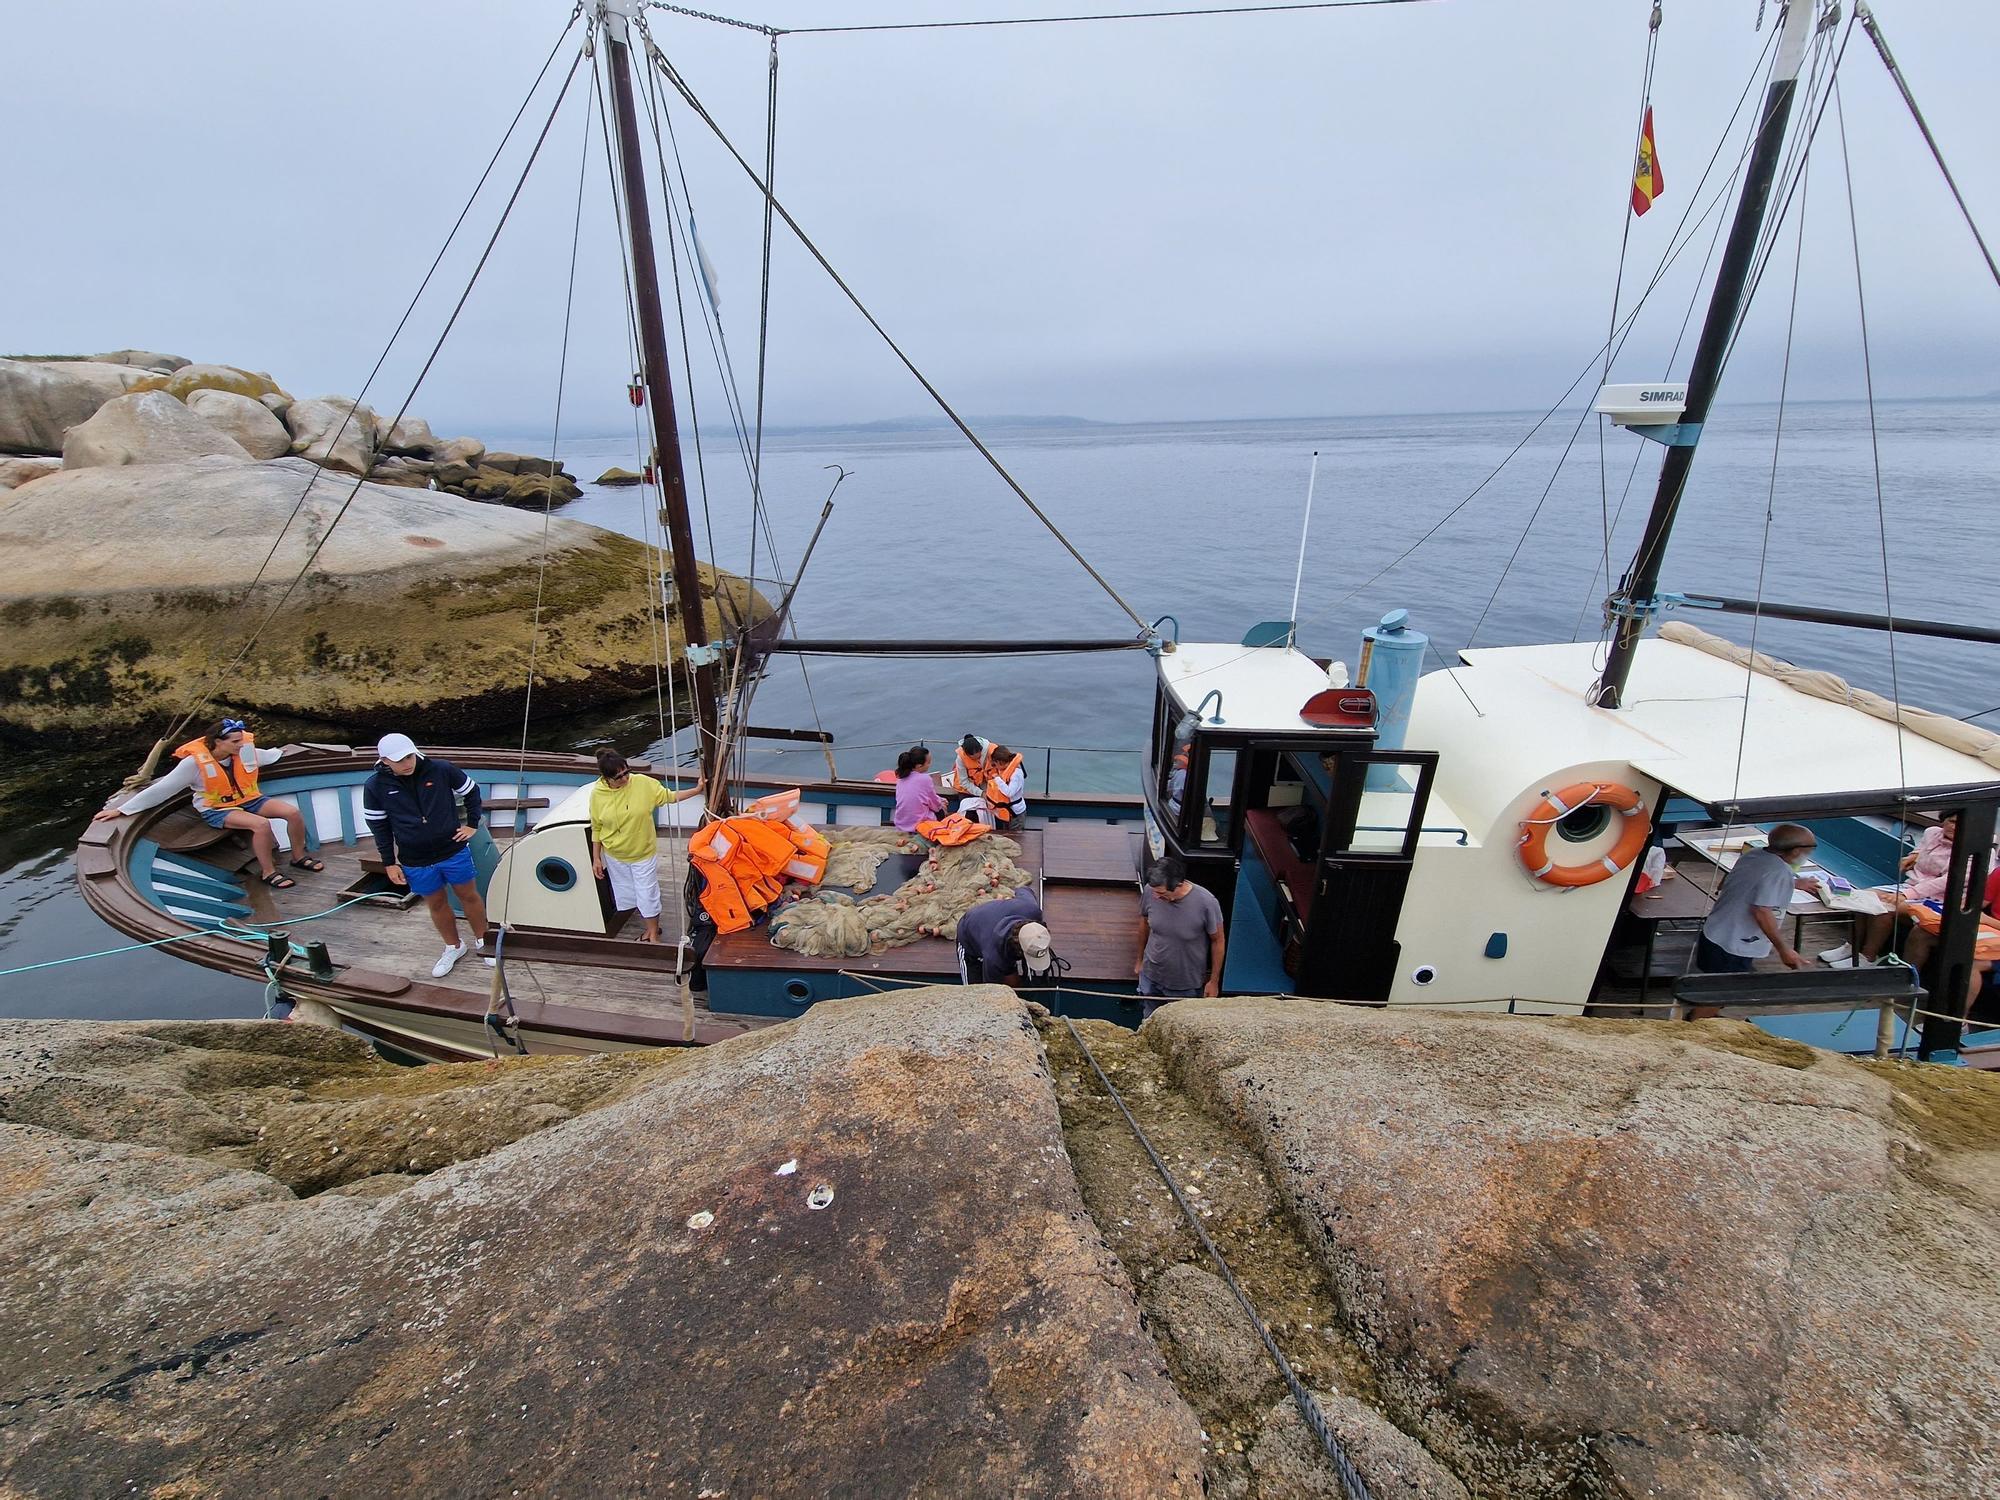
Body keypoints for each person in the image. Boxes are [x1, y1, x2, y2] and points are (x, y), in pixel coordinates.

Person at [92, 716, 322, 889]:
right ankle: (268, 872)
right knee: (260, 825)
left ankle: (298, 857)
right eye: (234, 741)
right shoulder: (193, 764)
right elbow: (163, 789)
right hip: (217, 809)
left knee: (292, 813)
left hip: (249, 799)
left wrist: (295, 751)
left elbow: (270, 755)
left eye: (241, 740)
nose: (240, 745)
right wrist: (121, 810)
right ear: (217, 742)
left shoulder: (243, 752)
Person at [363, 732, 491, 978]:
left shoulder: (441, 769)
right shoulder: (374, 786)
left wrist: (472, 824)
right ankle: (454, 946)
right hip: (415, 858)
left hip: (452, 849)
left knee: (469, 895)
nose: (407, 763)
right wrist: (389, 862)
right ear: (384, 761)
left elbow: (471, 791)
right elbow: (378, 826)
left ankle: (482, 940)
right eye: (399, 760)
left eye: (410, 756)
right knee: (436, 903)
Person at [588, 749, 704, 944]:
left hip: (642, 852)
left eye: (627, 772)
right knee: (628, 893)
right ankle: (650, 928)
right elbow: (596, 827)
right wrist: (596, 858)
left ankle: (652, 934)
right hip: (615, 854)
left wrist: (696, 790)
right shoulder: (597, 794)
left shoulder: (642, 783)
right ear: (606, 778)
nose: (625, 778)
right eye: (619, 777)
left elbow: (668, 796)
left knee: (647, 894)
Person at [1694, 823, 1820, 975]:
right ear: (1796, 851)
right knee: (1723, 987)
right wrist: (1784, 950)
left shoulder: (1754, 854)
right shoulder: (1778, 871)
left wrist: (1793, 883)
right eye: (1810, 850)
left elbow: (1750, 881)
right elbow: (1761, 912)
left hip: (1715, 931)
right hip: (1734, 942)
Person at [1134, 855, 1225, 1018]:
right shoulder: (1151, 890)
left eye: (1161, 893)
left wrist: (1213, 981)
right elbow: (1144, 923)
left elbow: (1218, 941)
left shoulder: (1207, 903)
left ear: (1179, 885)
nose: (1156, 897)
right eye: (1154, 892)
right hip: (1151, 976)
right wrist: (1139, 961)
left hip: (1185, 984)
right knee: (1148, 1018)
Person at [956, 887, 1052, 987]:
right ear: (1019, 950)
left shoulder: (1032, 910)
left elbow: (1024, 889)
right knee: (973, 991)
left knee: (1013, 981)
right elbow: (990, 990)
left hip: (993, 922)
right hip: (968, 934)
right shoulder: (993, 957)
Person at [961, 743, 1027, 828]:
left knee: (1015, 837)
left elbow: (1010, 792)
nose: (995, 767)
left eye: (995, 764)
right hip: (1007, 811)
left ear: (1000, 762)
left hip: (1016, 813)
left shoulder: (1016, 774)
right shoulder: (1004, 770)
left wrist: (997, 779)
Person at [891, 745, 946, 833]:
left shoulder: (901, 779)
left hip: (901, 824)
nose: (930, 765)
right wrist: (942, 803)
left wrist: (939, 799)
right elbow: (935, 805)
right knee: (942, 809)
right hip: (919, 826)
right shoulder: (925, 779)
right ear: (919, 766)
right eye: (928, 762)